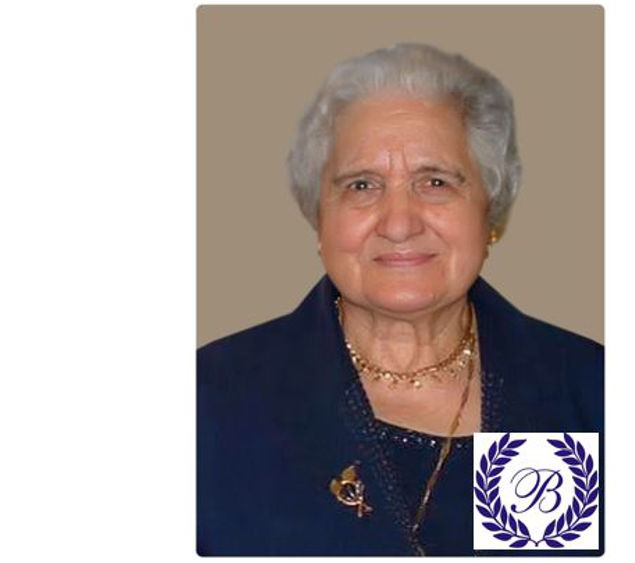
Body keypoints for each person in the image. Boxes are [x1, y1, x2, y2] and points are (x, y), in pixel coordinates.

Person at [197, 43, 603, 556]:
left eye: (435, 181)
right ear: (320, 219)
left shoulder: (589, 391)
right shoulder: (208, 399)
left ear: (491, 213)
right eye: (362, 185)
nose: (399, 223)